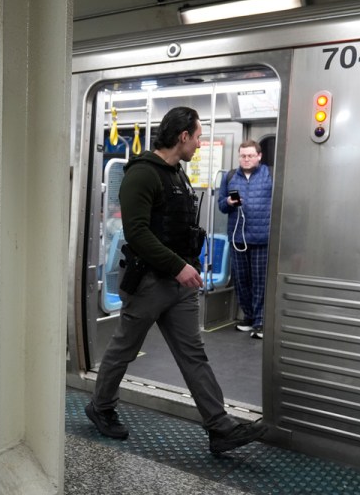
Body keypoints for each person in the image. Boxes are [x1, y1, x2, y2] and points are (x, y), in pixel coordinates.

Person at [85, 107, 267, 454]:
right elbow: (137, 232)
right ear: (183, 136)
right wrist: (177, 267)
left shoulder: (178, 175)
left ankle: (219, 427)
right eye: (197, 137)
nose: (199, 144)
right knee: (124, 348)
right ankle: (101, 407)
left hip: (179, 283)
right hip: (149, 281)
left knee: (193, 354)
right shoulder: (142, 175)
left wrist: (189, 265)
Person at [218, 140, 273, 340]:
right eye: (243, 155)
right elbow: (221, 206)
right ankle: (249, 317)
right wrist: (228, 202)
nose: (246, 159)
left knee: (260, 281)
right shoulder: (230, 177)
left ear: (259, 156)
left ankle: (260, 321)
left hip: (261, 238)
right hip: (237, 237)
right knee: (242, 280)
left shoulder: (270, 176)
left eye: (250, 155)